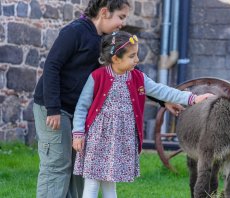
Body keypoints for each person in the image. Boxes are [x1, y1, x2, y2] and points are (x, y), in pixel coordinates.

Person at [32, 0, 182, 197]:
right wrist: (52, 108)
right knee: (57, 165)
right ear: (104, 12)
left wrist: (163, 100)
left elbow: (129, 78)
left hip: (78, 112)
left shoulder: (106, 42)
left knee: (78, 169)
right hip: (53, 108)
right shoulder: (74, 32)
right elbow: (52, 66)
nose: (122, 23)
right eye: (121, 16)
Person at [71, 31, 213, 197]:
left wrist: (192, 98)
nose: (137, 60)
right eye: (132, 56)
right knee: (92, 182)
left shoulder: (138, 78)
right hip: (98, 138)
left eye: (136, 55)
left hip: (119, 139)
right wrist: (78, 133)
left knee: (110, 182)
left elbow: (161, 91)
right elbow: (82, 107)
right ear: (116, 59)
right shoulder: (97, 77)